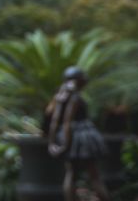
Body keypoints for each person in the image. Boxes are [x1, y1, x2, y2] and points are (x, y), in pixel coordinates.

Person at [46, 66, 109, 201]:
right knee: (94, 176)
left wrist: (52, 143)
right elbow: (67, 121)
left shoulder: (60, 97)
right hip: (81, 138)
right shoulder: (74, 97)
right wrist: (63, 145)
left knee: (71, 173)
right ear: (79, 81)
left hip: (69, 137)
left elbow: (55, 121)